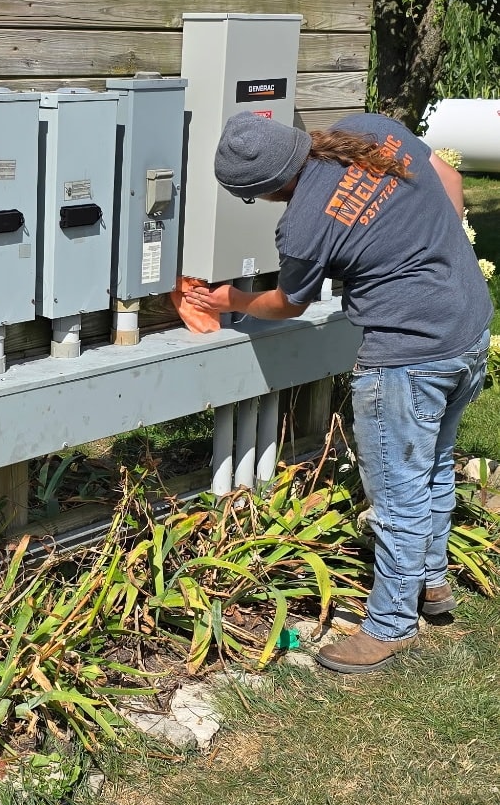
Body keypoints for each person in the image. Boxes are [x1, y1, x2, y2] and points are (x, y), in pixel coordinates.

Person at [181, 111, 492, 674]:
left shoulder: (303, 224)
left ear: (265, 191)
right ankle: (432, 582)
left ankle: (390, 625)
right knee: (434, 465)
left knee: (398, 491)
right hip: (467, 325)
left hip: (407, 356)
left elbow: (287, 303)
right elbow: (448, 180)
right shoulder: (373, 131)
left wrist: (230, 300)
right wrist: (431, 248)